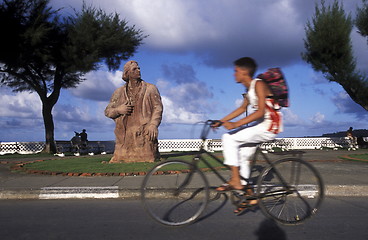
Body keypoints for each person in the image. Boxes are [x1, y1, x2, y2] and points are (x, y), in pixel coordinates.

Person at [212, 57, 283, 214]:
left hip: (269, 125)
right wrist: (221, 121)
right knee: (242, 157)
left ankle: (236, 180)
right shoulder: (249, 90)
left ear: (244, 71)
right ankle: (250, 196)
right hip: (261, 125)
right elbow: (241, 108)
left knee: (229, 138)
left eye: (236, 71)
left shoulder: (258, 84)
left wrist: (235, 124)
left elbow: (260, 112)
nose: (234, 74)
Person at [105, 60, 163, 163]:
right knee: (122, 156)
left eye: (139, 68)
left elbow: (158, 108)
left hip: (144, 131)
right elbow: (107, 111)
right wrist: (119, 110)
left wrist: (153, 124)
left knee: (148, 156)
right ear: (127, 73)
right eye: (134, 69)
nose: (138, 70)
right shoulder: (119, 92)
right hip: (125, 135)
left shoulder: (151, 88)